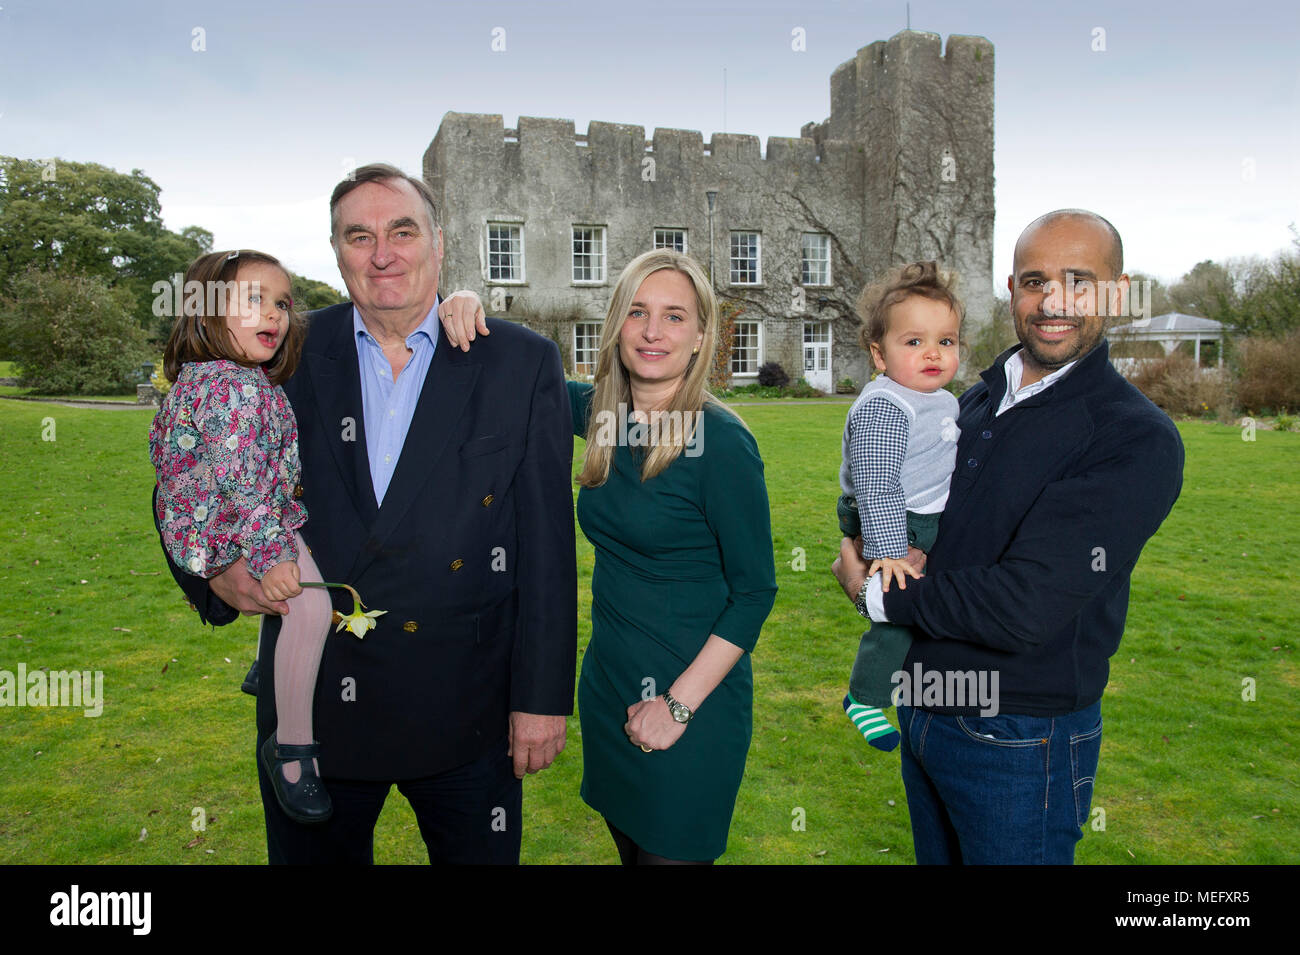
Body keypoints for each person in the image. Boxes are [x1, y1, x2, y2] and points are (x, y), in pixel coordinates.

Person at [155, 164, 577, 864]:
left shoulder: (517, 361)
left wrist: (541, 698)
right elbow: (184, 467)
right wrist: (220, 572)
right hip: (315, 719)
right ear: (336, 250)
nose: (382, 253)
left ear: (438, 244)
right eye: (360, 236)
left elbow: (548, 550)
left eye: (402, 231)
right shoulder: (278, 351)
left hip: (469, 713)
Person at [832, 209, 1184, 864]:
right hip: (926, 709)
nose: (1052, 301)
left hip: (1019, 734)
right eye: (1033, 280)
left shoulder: (1132, 436)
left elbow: (1025, 603)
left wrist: (876, 594)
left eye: (1078, 281)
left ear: (1117, 290)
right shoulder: (970, 400)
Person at [442, 249, 777, 865]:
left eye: (675, 316)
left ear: (702, 334)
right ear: (616, 323)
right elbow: (516, 369)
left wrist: (676, 706)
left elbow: (755, 592)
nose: (653, 332)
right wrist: (465, 304)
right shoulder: (603, 419)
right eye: (638, 313)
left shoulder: (722, 443)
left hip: (689, 704)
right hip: (610, 690)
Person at [151, 249, 335, 825]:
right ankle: (293, 751)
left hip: (228, 512)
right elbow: (243, 481)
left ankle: (265, 663)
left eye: (282, 302)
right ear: (205, 310)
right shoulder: (233, 387)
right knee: (310, 605)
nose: (276, 315)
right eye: (254, 300)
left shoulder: (223, 378)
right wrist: (270, 551)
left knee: (291, 602)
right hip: (236, 519)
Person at [836, 261, 961, 753]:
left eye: (945, 342)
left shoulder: (937, 398)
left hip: (916, 513)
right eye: (913, 342)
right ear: (878, 354)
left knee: (918, 609)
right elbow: (876, 481)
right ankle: (865, 696)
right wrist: (888, 548)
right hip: (893, 519)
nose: (932, 353)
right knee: (899, 610)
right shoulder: (888, 405)